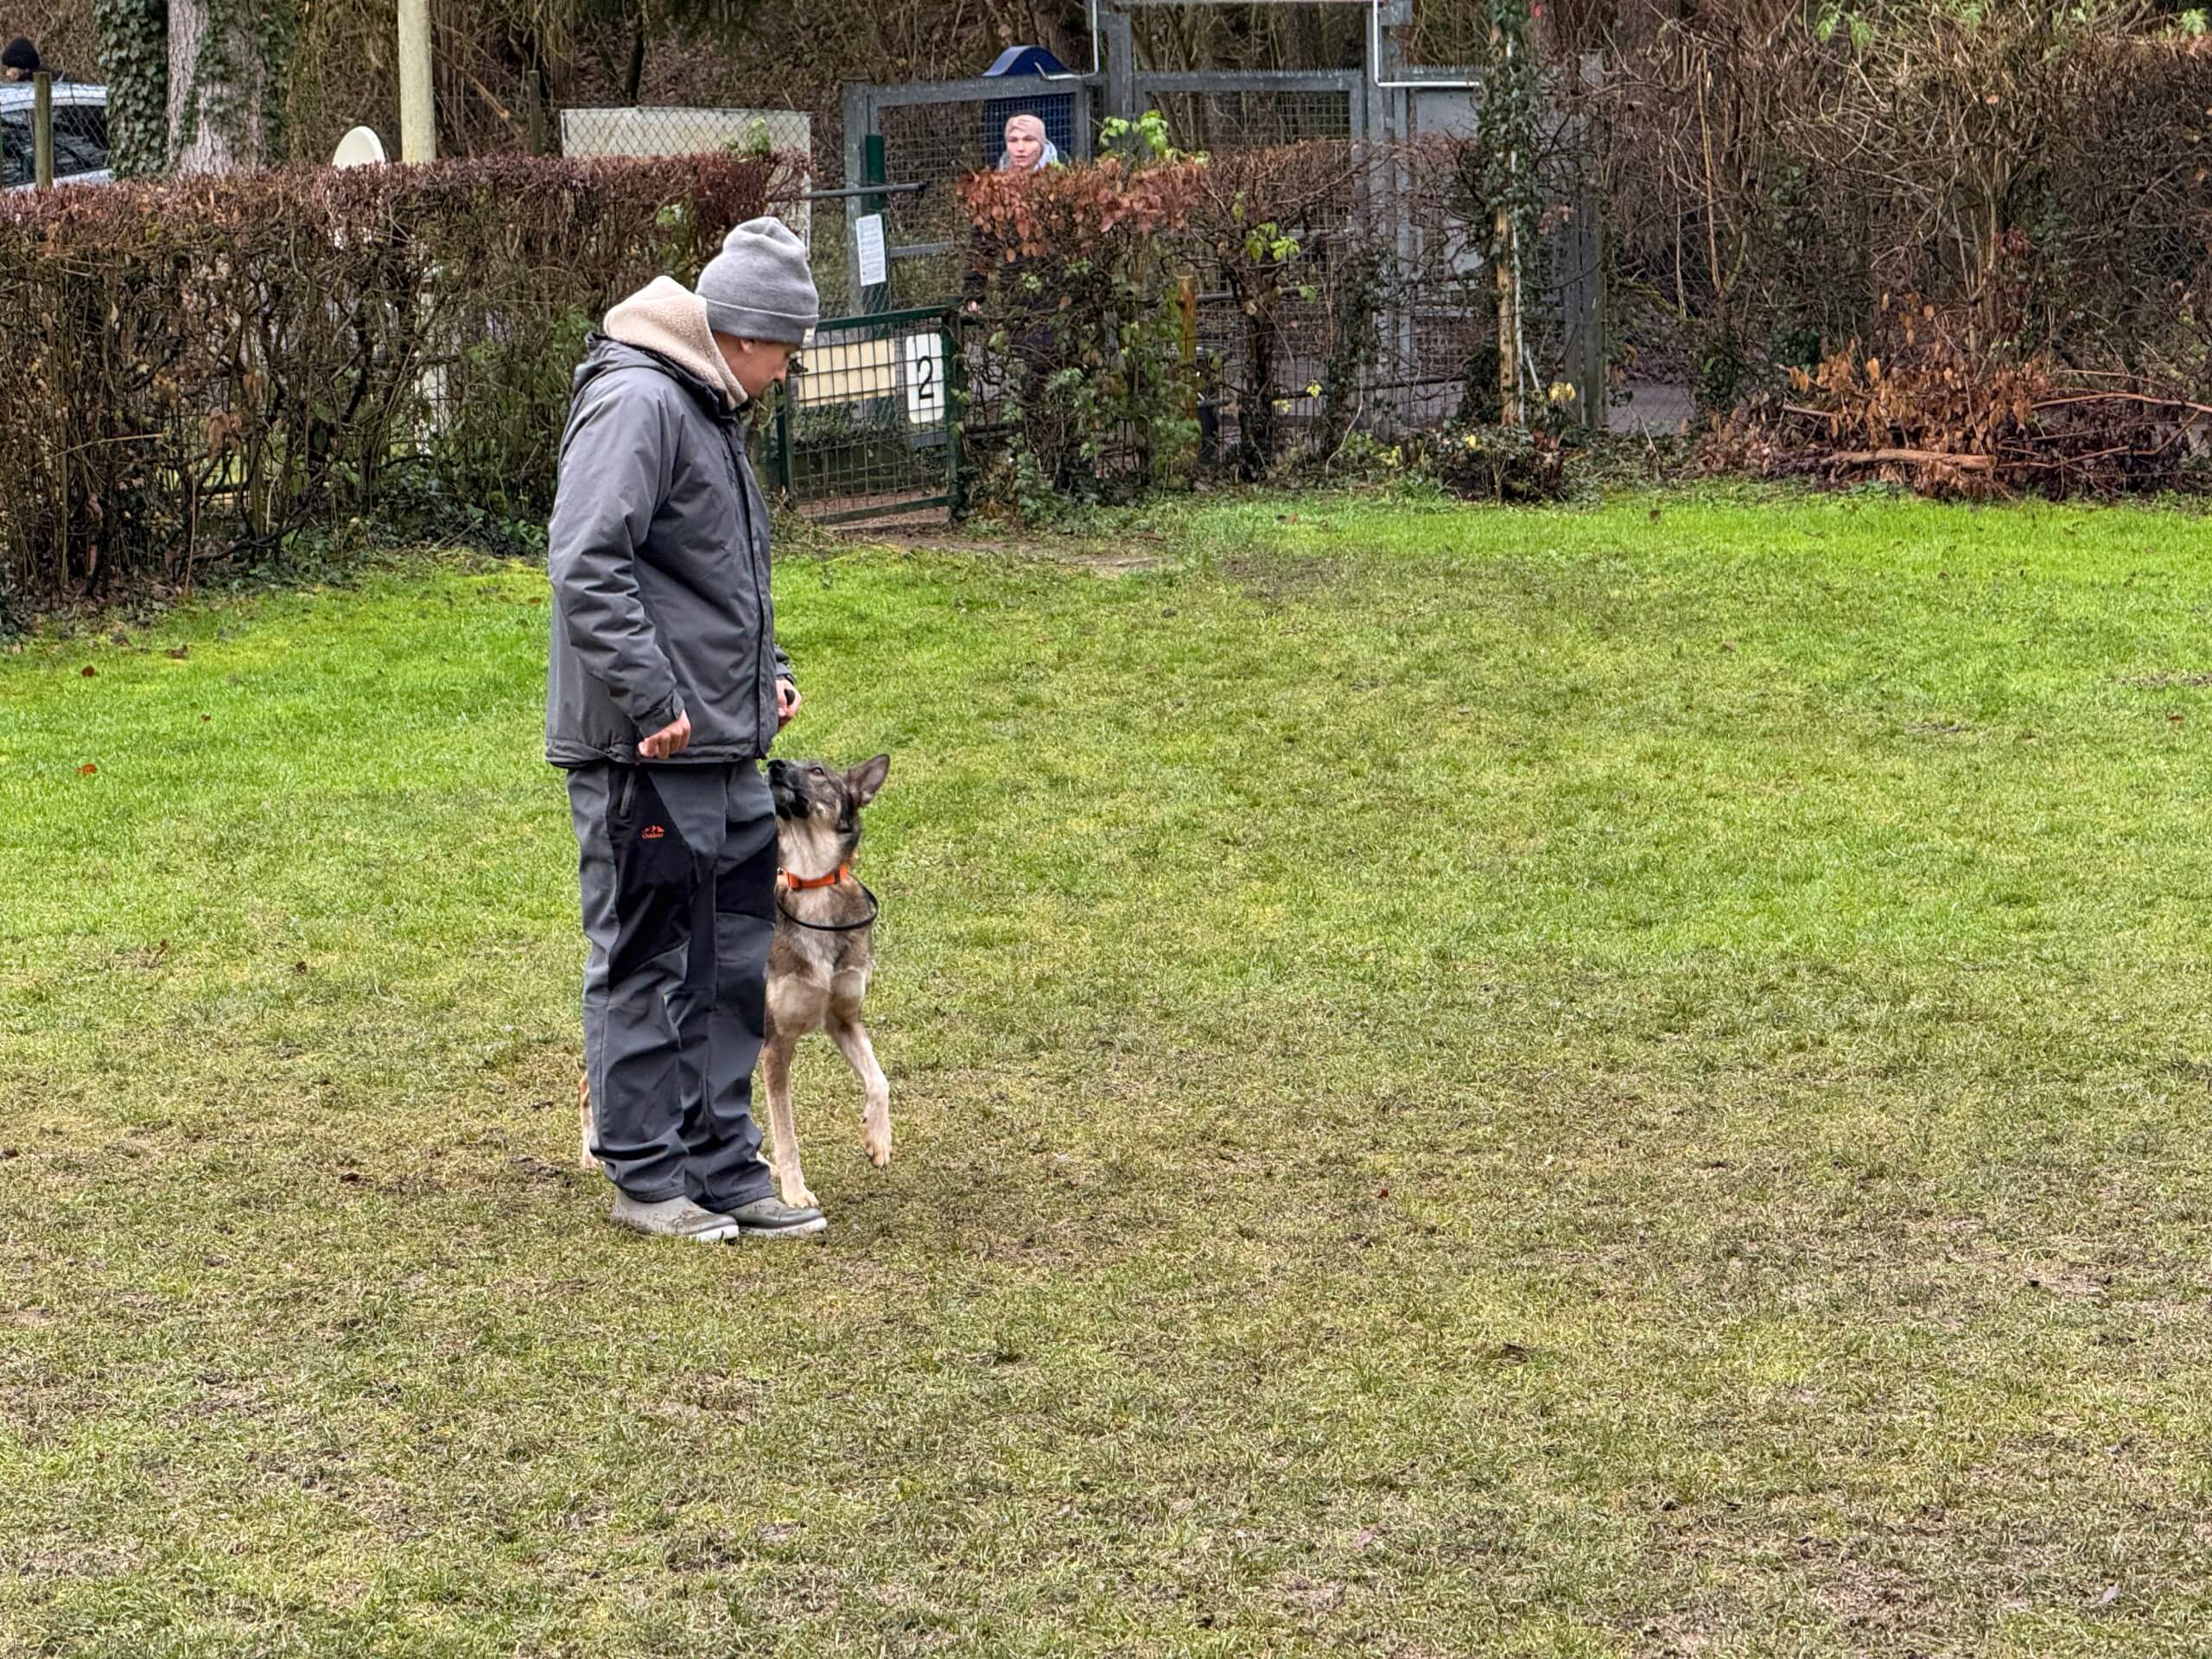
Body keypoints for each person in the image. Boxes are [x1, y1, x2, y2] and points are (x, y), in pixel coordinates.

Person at [545, 218, 828, 1244]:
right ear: (744, 334)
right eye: (786, 349)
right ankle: (646, 1176)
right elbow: (587, 560)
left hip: (721, 747)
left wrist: (769, 675)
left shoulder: (705, 407)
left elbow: (716, 578)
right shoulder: (638, 401)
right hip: (648, 751)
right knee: (648, 960)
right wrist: (654, 697)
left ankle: (722, 1167)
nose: (788, 371)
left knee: (730, 962)